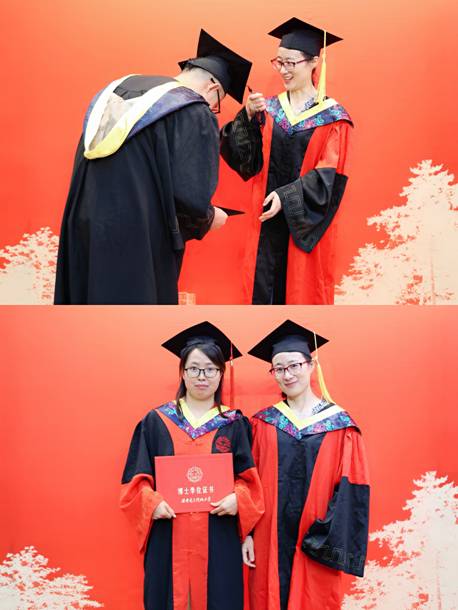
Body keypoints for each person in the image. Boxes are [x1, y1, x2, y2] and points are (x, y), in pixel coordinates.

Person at [54, 31, 252, 304]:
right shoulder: (193, 110)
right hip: (137, 239)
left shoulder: (117, 90)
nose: (212, 107)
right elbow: (191, 196)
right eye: (217, 102)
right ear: (212, 87)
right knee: (129, 318)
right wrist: (208, 218)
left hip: (84, 222)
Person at [120, 322, 264, 610]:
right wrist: (152, 504)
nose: (202, 376)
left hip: (219, 535)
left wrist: (238, 499)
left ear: (221, 374)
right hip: (169, 533)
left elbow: (249, 479)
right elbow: (135, 481)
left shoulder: (234, 423)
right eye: (194, 368)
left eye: (210, 369)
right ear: (183, 372)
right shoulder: (156, 421)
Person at [221, 18, 353, 304]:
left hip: (303, 229)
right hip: (264, 225)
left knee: (298, 294)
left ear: (314, 62)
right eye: (278, 62)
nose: (283, 70)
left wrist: (287, 196)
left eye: (291, 63)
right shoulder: (269, 109)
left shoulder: (333, 118)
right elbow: (246, 163)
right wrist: (247, 117)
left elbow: (329, 178)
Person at [243, 320, 370, 610]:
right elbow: (249, 482)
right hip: (268, 539)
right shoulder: (262, 423)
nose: (287, 375)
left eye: (294, 366)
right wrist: (247, 534)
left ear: (311, 366)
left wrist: (326, 538)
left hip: (317, 540)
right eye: (279, 368)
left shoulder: (340, 425)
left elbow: (352, 491)